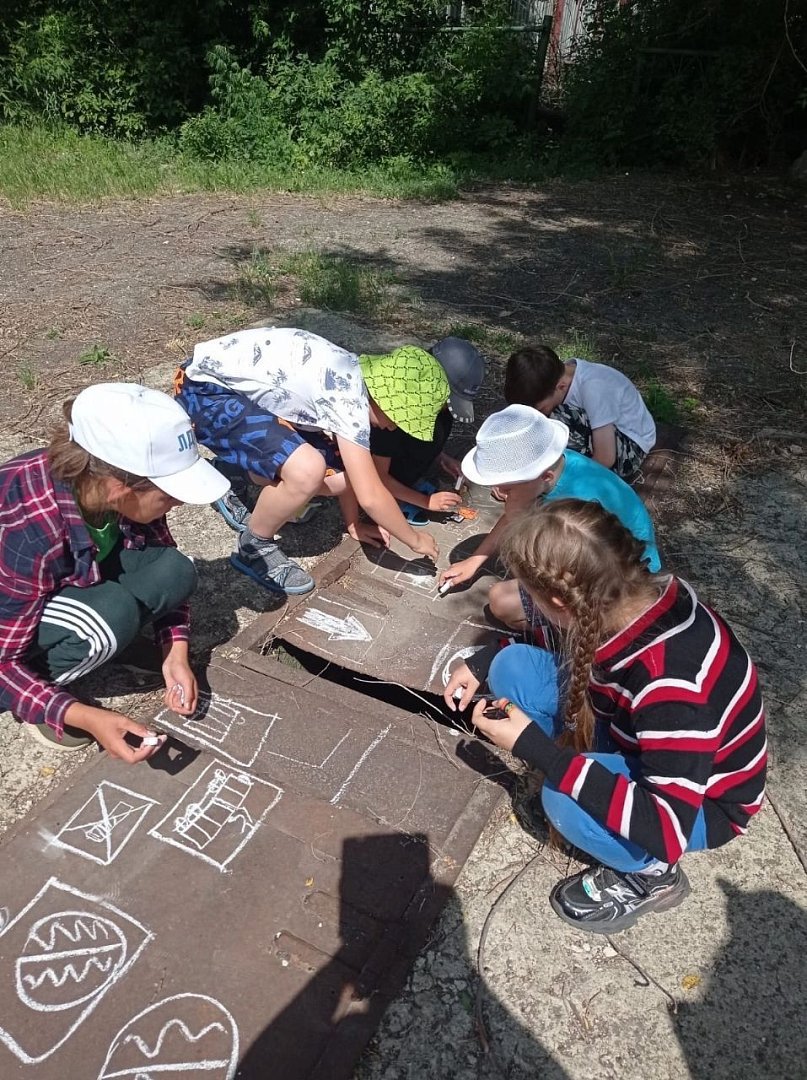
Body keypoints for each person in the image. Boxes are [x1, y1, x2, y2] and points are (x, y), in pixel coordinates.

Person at [445, 499, 766, 934]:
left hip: (699, 805)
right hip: (632, 732)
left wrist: (537, 749)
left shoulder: (673, 687)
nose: (525, 605)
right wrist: (483, 660)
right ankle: (588, 770)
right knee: (511, 668)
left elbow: (667, 825)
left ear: (560, 600)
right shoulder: (638, 595)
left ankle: (652, 875)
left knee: (562, 801)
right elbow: (566, 636)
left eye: (530, 595)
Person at [0, 383, 229, 760]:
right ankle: (42, 689)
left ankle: (105, 636)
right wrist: (84, 716)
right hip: (8, 631)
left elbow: (161, 554)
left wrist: (175, 650)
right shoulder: (26, 530)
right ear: (117, 487)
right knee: (111, 613)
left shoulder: (108, 484)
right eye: (169, 493)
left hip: (59, 581)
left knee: (175, 570)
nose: (179, 503)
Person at [176, 327, 447, 595]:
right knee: (307, 471)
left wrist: (353, 524)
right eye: (400, 420)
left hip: (242, 393)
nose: (395, 428)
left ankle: (232, 472)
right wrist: (414, 540)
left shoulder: (354, 378)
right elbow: (371, 496)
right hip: (205, 390)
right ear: (387, 400)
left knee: (340, 477)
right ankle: (254, 546)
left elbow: (354, 474)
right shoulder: (348, 402)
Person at [437, 405, 661, 610]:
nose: (500, 492)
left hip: (624, 577)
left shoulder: (578, 504)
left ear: (545, 476)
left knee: (503, 603)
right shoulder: (550, 464)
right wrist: (475, 560)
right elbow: (520, 509)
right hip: (598, 558)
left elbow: (565, 560)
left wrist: (516, 516)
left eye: (509, 488)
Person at [370, 336, 486, 525]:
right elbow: (376, 475)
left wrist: (442, 458)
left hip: (403, 464)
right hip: (383, 475)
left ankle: (409, 484)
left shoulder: (439, 411)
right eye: (448, 400)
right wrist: (425, 501)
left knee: (442, 422)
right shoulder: (394, 414)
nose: (447, 407)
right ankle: (398, 496)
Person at [504, 345, 656, 479]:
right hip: (601, 436)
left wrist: (572, 483)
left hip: (630, 450)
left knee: (558, 418)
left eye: (541, 409)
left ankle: (557, 474)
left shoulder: (594, 388)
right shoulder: (556, 376)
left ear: (561, 387)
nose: (540, 413)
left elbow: (606, 457)